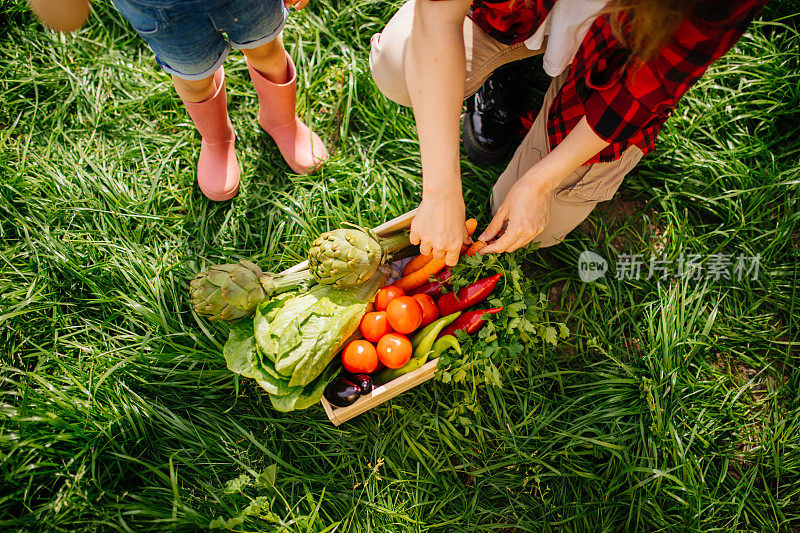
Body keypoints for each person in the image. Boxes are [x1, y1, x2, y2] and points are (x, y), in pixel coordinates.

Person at [369, 0, 766, 263]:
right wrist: (441, 193)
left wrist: (539, 183)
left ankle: (549, 86)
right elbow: (437, 17)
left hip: (608, 71)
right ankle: (508, 68)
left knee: (531, 225)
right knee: (397, 64)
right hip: (520, 13)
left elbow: (640, 93)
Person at [28, 0, 328, 201]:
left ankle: (281, 120)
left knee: (266, 51)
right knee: (194, 76)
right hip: (161, 12)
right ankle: (217, 138)